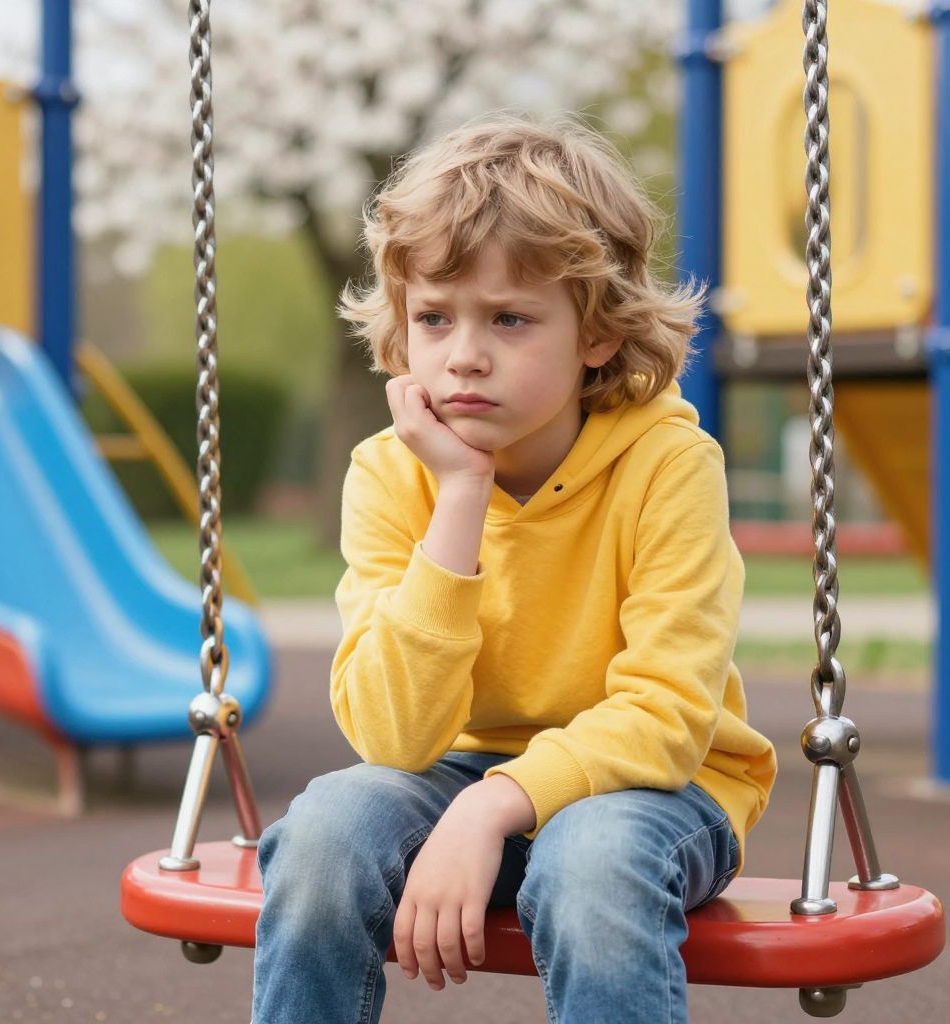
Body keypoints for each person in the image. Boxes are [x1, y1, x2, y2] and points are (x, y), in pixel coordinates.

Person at [250, 111, 778, 1024]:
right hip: (450, 768)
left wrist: (495, 808)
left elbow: (666, 714)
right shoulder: (388, 474)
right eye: (434, 318)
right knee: (325, 833)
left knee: (595, 865)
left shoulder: (668, 465)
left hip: (652, 789)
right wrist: (460, 495)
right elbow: (390, 737)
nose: (464, 356)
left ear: (599, 335)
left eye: (510, 318)